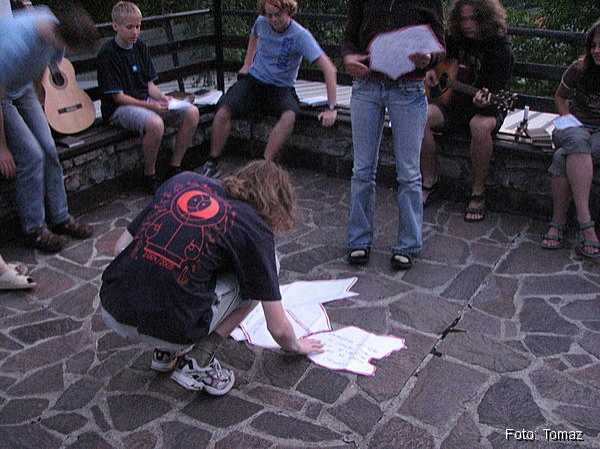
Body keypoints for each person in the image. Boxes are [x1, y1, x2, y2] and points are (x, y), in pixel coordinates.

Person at [99, 160, 324, 395]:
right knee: (266, 268)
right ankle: (199, 361)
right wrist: (296, 346)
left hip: (114, 307)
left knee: (181, 266)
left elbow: (120, 247)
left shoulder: (182, 181)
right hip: (174, 329)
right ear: (275, 203)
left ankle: (164, 352)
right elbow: (278, 328)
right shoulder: (254, 226)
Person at [341, 0, 445, 270]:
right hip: (367, 85)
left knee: (409, 172)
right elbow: (350, 36)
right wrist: (349, 57)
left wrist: (428, 58)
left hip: (408, 88)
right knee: (362, 168)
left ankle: (408, 244)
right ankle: (359, 240)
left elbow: (439, 45)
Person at [199, 0, 338, 178]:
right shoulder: (261, 22)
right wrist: (247, 63)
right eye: (269, 15)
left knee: (289, 116)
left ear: (288, 11)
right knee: (223, 109)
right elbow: (254, 36)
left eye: (277, 15)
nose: (273, 20)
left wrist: (331, 107)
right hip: (254, 81)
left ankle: (263, 165)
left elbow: (329, 69)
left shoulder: (300, 35)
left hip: (281, 87)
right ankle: (213, 161)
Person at [0, 5, 96, 253]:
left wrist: (41, 100)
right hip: (1, 95)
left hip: (24, 90)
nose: (69, 52)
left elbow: (42, 66)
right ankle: (34, 229)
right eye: (70, 46)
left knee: (49, 149)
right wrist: (2, 148)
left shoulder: (56, 32)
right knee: (32, 155)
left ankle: (60, 218)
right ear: (59, 35)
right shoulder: (14, 45)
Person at [420, 0, 514, 222]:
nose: (468, 24)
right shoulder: (455, 39)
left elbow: (497, 94)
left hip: (487, 107)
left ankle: (478, 191)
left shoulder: (500, 50)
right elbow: (438, 55)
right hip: (453, 105)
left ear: (486, 18)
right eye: (463, 19)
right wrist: (431, 69)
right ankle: (430, 180)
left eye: (474, 19)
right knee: (419, 117)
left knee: (479, 126)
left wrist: (485, 101)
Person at [97, 1, 201, 195]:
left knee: (192, 112)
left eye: (138, 27)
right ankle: (149, 175)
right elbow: (118, 97)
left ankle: (175, 167)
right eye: (130, 27)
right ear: (115, 26)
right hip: (119, 108)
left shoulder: (140, 47)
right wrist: (152, 107)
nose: (135, 32)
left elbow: (149, 85)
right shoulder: (108, 54)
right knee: (155, 124)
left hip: (144, 100)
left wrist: (163, 98)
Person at [540, 19, 600, 262]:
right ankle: (586, 224)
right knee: (577, 140)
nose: (597, 50)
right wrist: (567, 119)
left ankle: (558, 222)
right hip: (574, 126)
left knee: (562, 156)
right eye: (593, 45)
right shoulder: (579, 68)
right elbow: (561, 97)